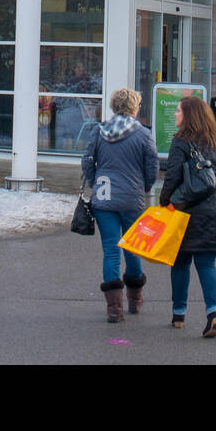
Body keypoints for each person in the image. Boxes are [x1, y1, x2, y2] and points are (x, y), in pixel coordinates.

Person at [81, 88, 159, 322]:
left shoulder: (98, 131)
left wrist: (96, 183)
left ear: (114, 107)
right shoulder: (144, 135)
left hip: (103, 200)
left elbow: (87, 161)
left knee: (111, 251)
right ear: (135, 108)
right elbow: (152, 167)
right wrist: (144, 186)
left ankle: (114, 308)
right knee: (133, 247)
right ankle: (135, 299)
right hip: (132, 200)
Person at [160, 96, 216, 337]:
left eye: (178, 111)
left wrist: (164, 202)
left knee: (180, 262)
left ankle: (179, 314)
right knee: (207, 264)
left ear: (188, 115)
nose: (175, 115)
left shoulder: (180, 141)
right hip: (213, 210)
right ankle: (214, 313)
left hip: (184, 211)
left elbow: (172, 177)